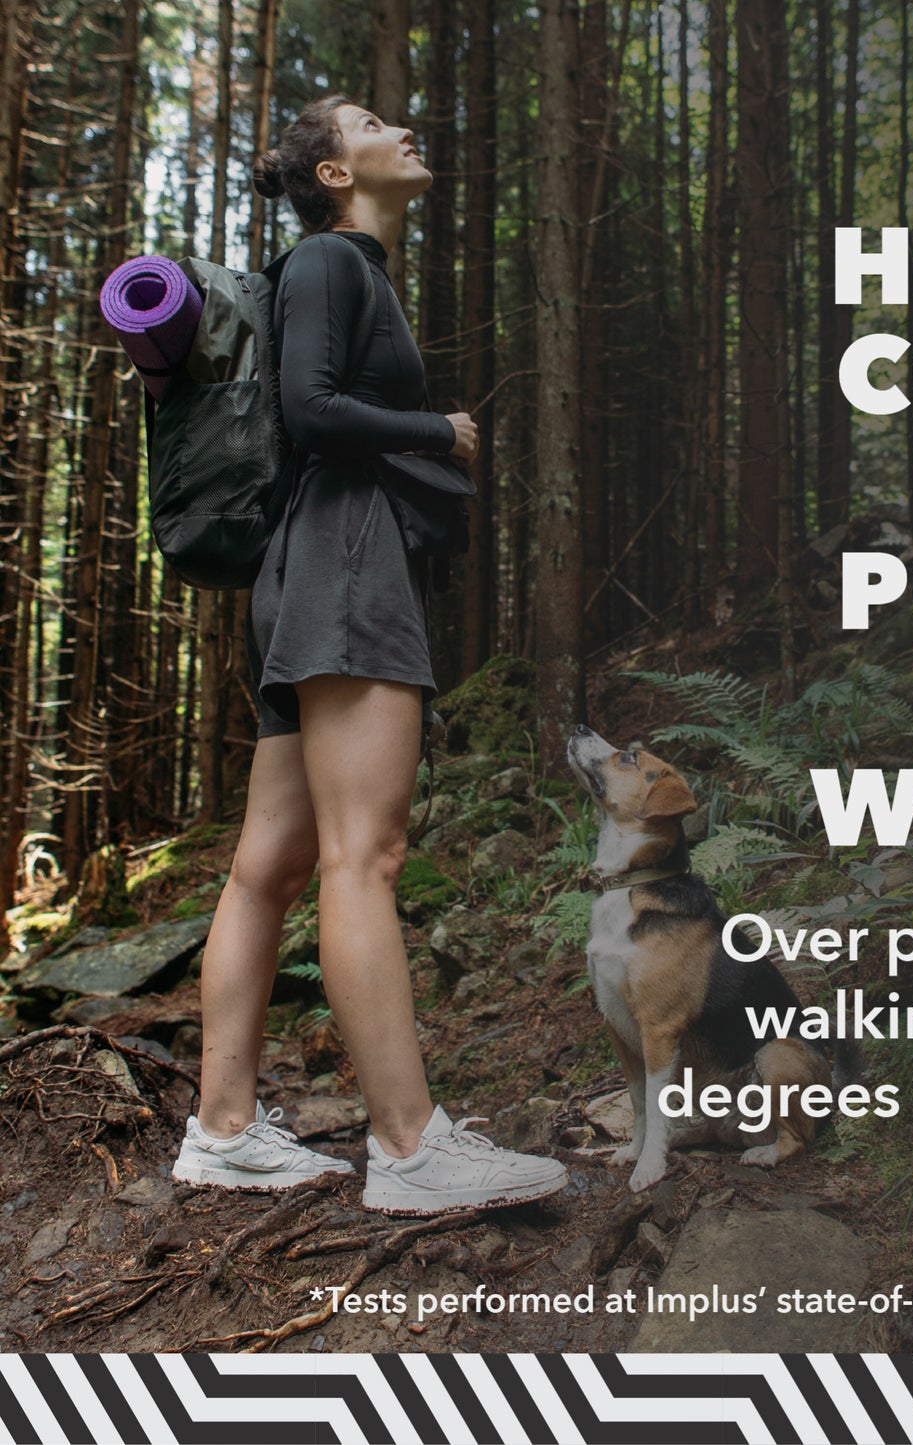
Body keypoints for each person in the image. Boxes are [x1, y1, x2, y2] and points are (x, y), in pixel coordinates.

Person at [171, 96, 567, 1215]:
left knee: (270, 863)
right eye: (374, 123)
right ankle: (407, 1147)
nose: (404, 129)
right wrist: (434, 430)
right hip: (344, 559)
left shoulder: (342, 268)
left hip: (307, 573)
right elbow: (311, 408)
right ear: (336, 173)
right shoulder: (332, 262)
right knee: (366, 853)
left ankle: (223, 1128)